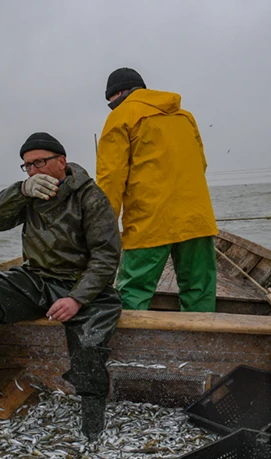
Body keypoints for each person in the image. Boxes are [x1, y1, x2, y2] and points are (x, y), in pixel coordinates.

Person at [0, 132, 123, 442]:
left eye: (39, 162)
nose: (33, 170)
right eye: (27, 166)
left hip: (83, 284)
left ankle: (92, 410)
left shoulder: (91, 197)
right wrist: (20, 191)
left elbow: (106, 256)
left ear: (61, 161)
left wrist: (76, 299)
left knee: (90, 335)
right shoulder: (29, 193)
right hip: (38, 280)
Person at [97, 67, 218, 312]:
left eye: (110, 101)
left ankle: (129, 346)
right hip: (197, 219)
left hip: (149, 221)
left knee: (134, 292)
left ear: (118, 94)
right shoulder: (185, 116)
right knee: (199, 289)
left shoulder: (121, 116)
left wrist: (102, 227)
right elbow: (201, 163)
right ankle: (201, 344)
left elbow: (111, 179)